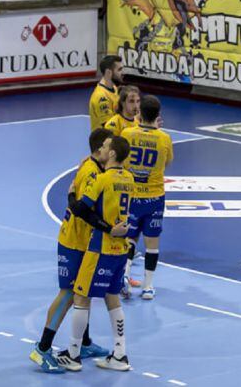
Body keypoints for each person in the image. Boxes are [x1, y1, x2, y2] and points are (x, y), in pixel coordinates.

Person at [28, 129, 113, 374]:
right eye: (109, 146)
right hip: (74, 241)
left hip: (82, 240)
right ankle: (42, 349)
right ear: (99, 150)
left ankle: (84, 343)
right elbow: (80, 209)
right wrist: (108, 228)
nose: (112, 151)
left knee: (82, 291)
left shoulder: (92, 165)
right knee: (69, 293)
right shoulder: (91, 170)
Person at [62, 135, 133, 372]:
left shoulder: (103, 179)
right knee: (112, 298)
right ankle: (120, 354)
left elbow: (81, 209)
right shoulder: (129, 178)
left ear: (112, 154)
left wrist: (71, 194)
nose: (101, 149)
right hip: (121, 249)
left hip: (100, 247)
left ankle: (73, 354)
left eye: (105, 147)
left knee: (81, 297)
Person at [121, 96, 173, 301]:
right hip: (154, 197)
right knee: (152, 244)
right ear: (158, 114)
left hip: (131, 195)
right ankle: (148, 286)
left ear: (139, 113)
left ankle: (124, 278)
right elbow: (167, 162)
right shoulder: (164, 138)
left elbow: (121, 160)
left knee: (129, 239)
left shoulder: (127, 133)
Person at [90, 55, 123, 130]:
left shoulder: (114, 88)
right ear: (108, 72)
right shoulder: (101, 97)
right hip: (104, 140)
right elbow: (109, 128)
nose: (123, 73)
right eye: (119, 70)